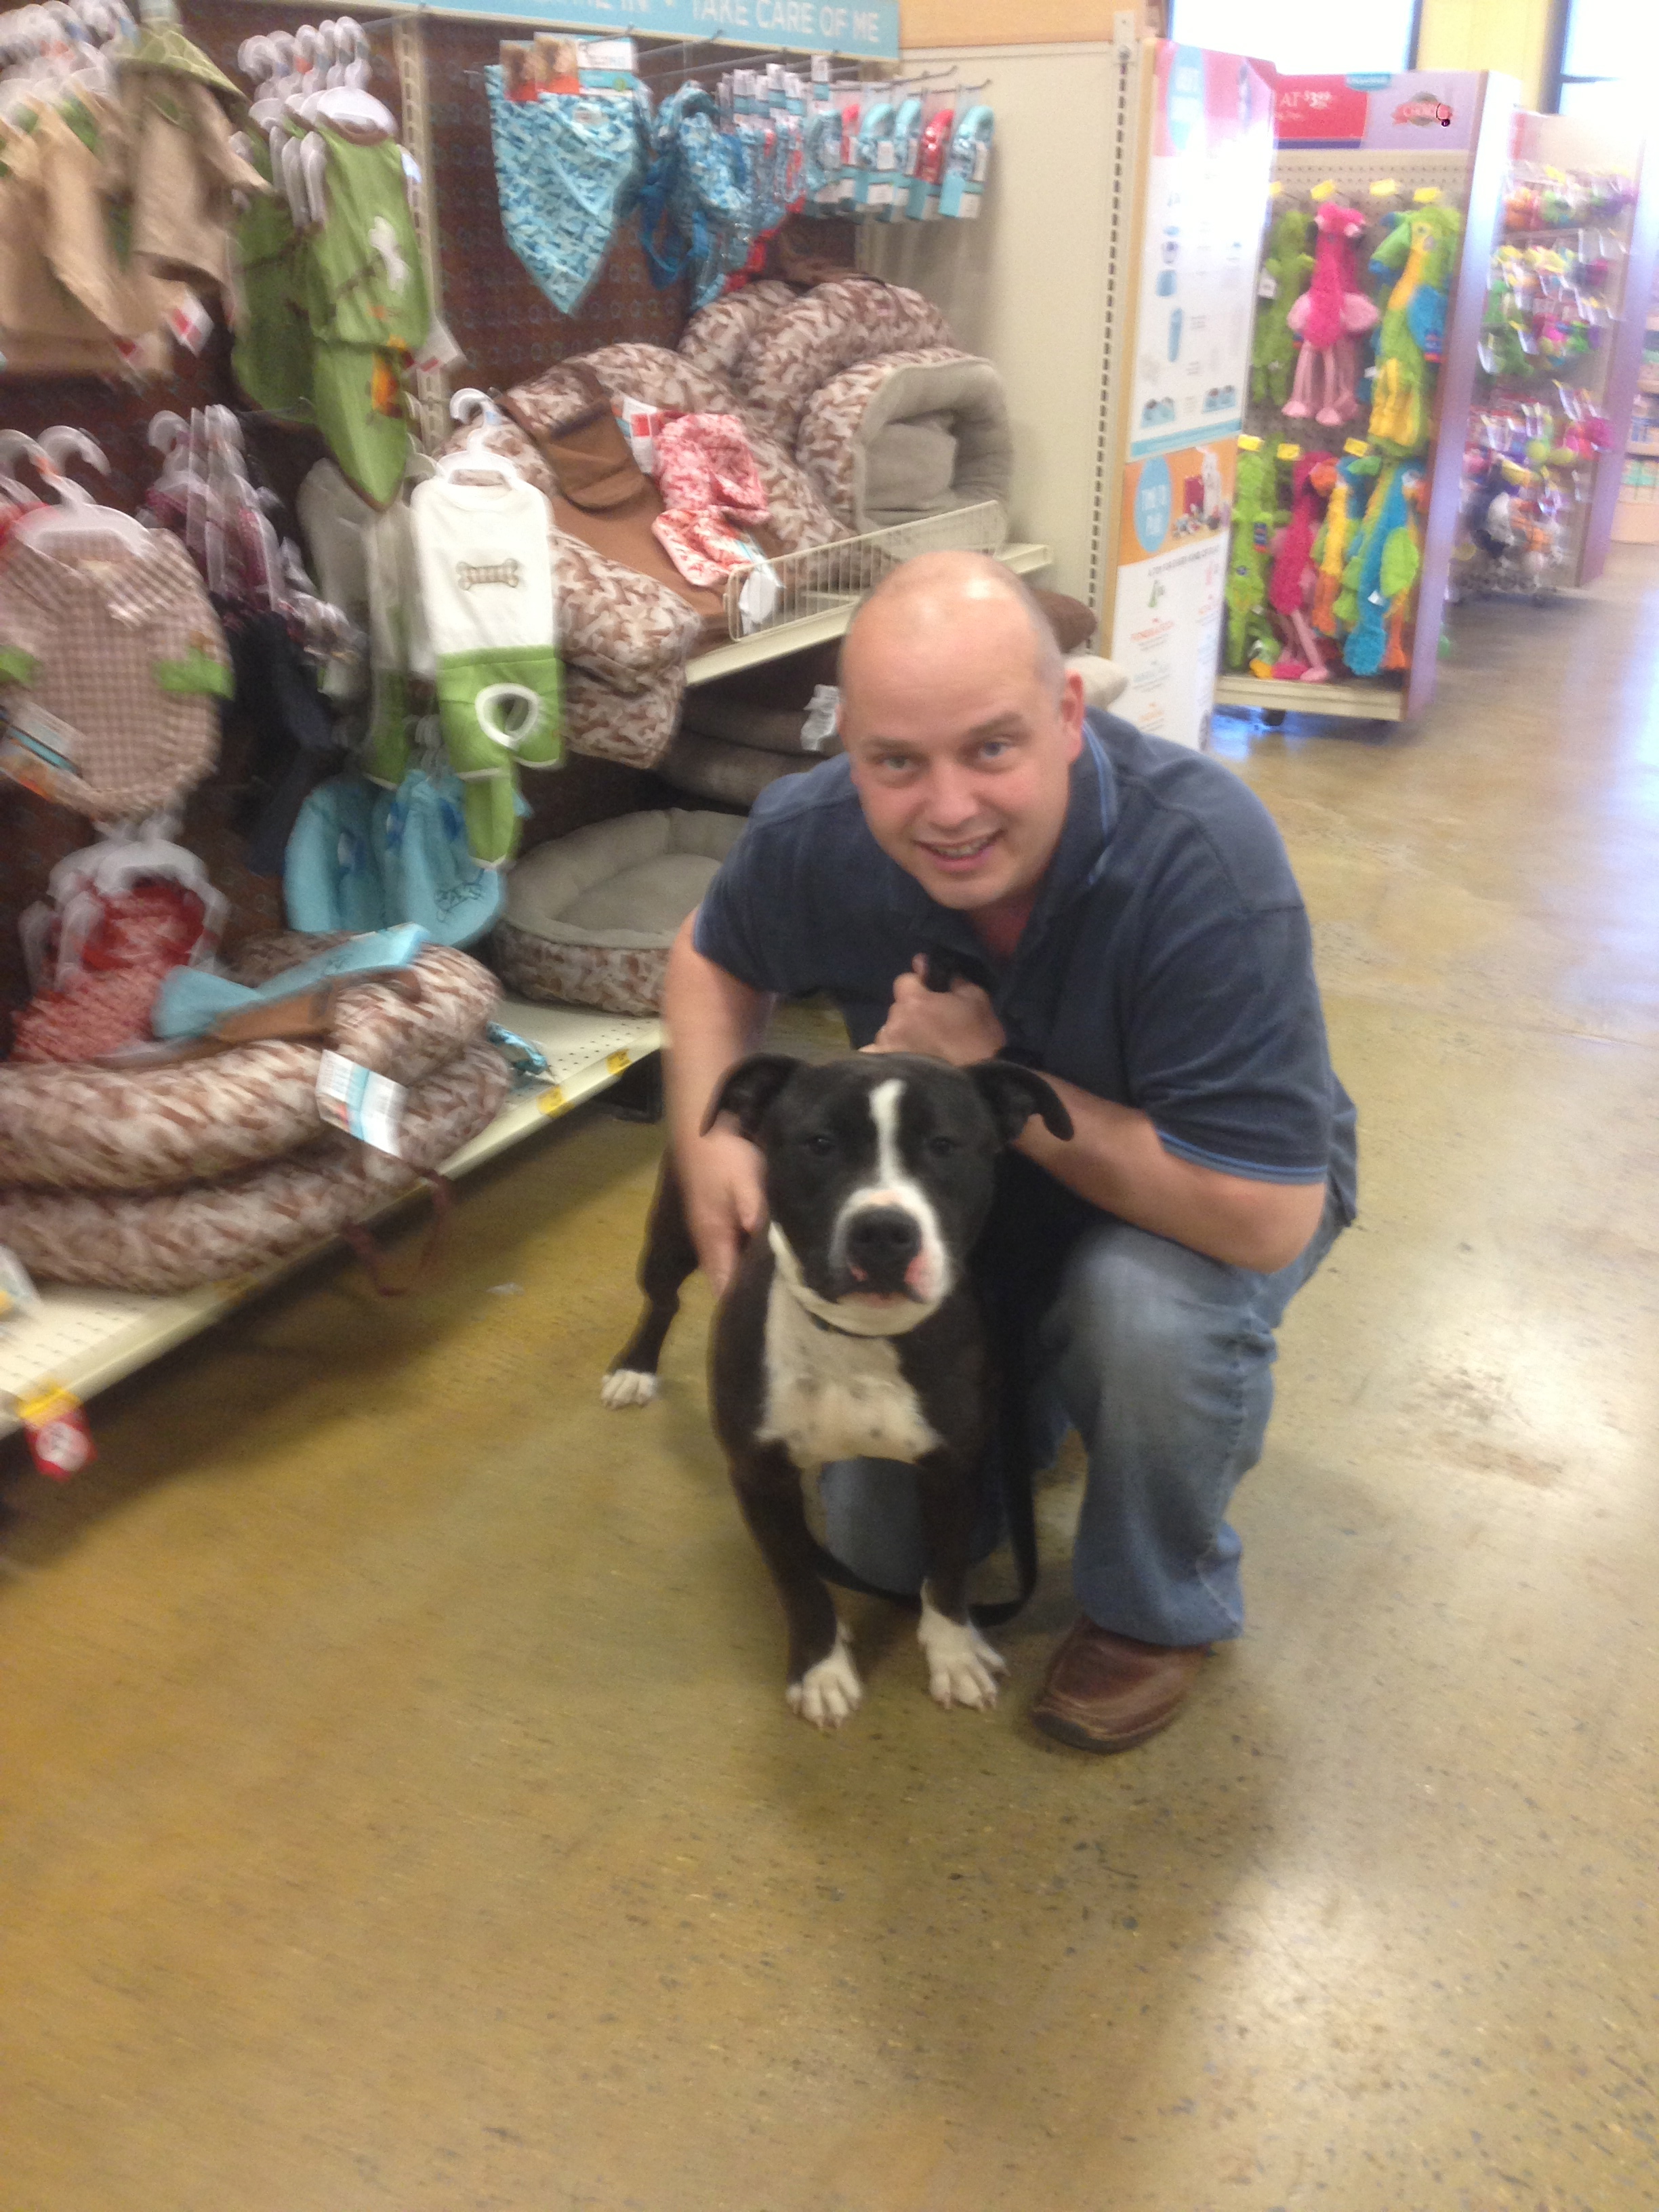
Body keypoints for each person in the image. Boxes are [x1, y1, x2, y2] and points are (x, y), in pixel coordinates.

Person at [662, 550, 1355, 1752]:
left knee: (1140, 1313)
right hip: (960, 1198)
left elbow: (1262, 1219)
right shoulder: (815, 833)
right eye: (897, 762)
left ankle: (1153, 1606)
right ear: (848, 749)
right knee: (882, 1549)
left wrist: (985, 1070)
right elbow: (709, 955)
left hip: (1202, 1193)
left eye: (992, 748)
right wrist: (709, 1141)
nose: (949, 808)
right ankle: (1025, 1385)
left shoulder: (1201, 859)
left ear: (1069, 714)